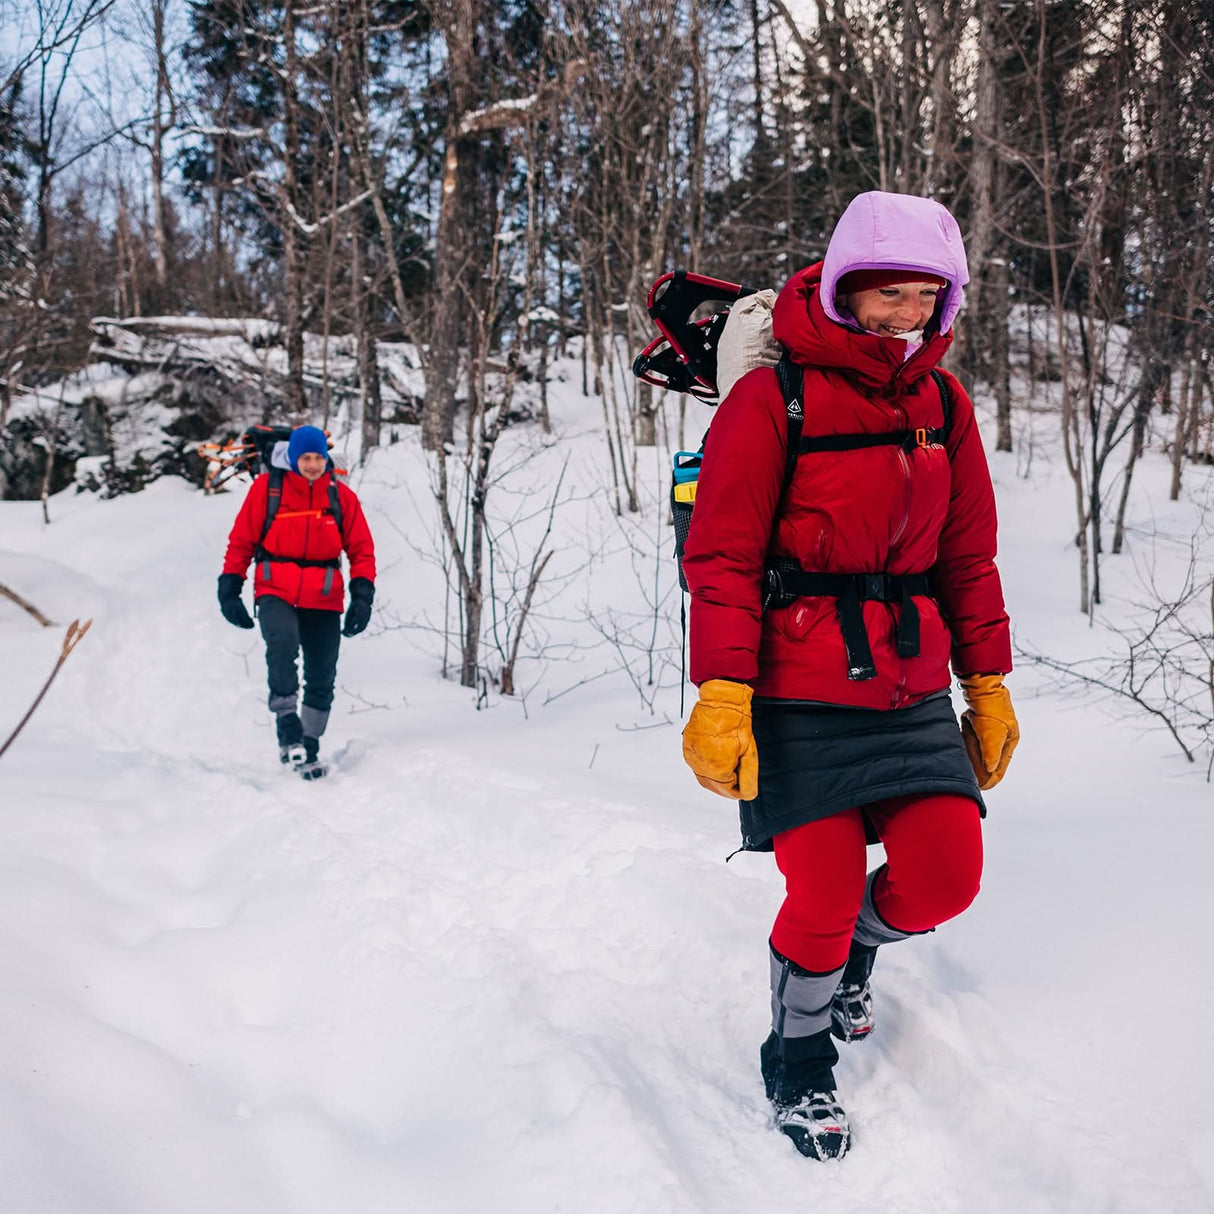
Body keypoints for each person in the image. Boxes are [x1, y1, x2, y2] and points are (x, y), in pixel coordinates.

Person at [679, 191, 1019, 1161]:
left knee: (944, 876)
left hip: (907, 684)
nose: (904, 313)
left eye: (924, 295)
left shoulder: (943, 405)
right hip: (795, 688)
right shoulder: (771, 398)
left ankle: (856, 956)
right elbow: (723, 556)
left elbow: (969, 558)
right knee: (819, 892)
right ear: (840, 288)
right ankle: (795, 1055)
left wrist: (985, 682)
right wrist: (722, 690)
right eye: (885, 294)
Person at [217, 425, 377, 778]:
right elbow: (242, 540)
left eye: (319, 457)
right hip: (276, 586)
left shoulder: (341, 497)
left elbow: (362, 549)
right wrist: (230, 587)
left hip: (324, 593)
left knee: (322, 671)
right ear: (293, 458)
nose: (313, 464)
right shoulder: (267, 490)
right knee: (282, 646)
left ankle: (309, 744)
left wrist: (362, 596)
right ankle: (288, 728)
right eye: (305, 457)